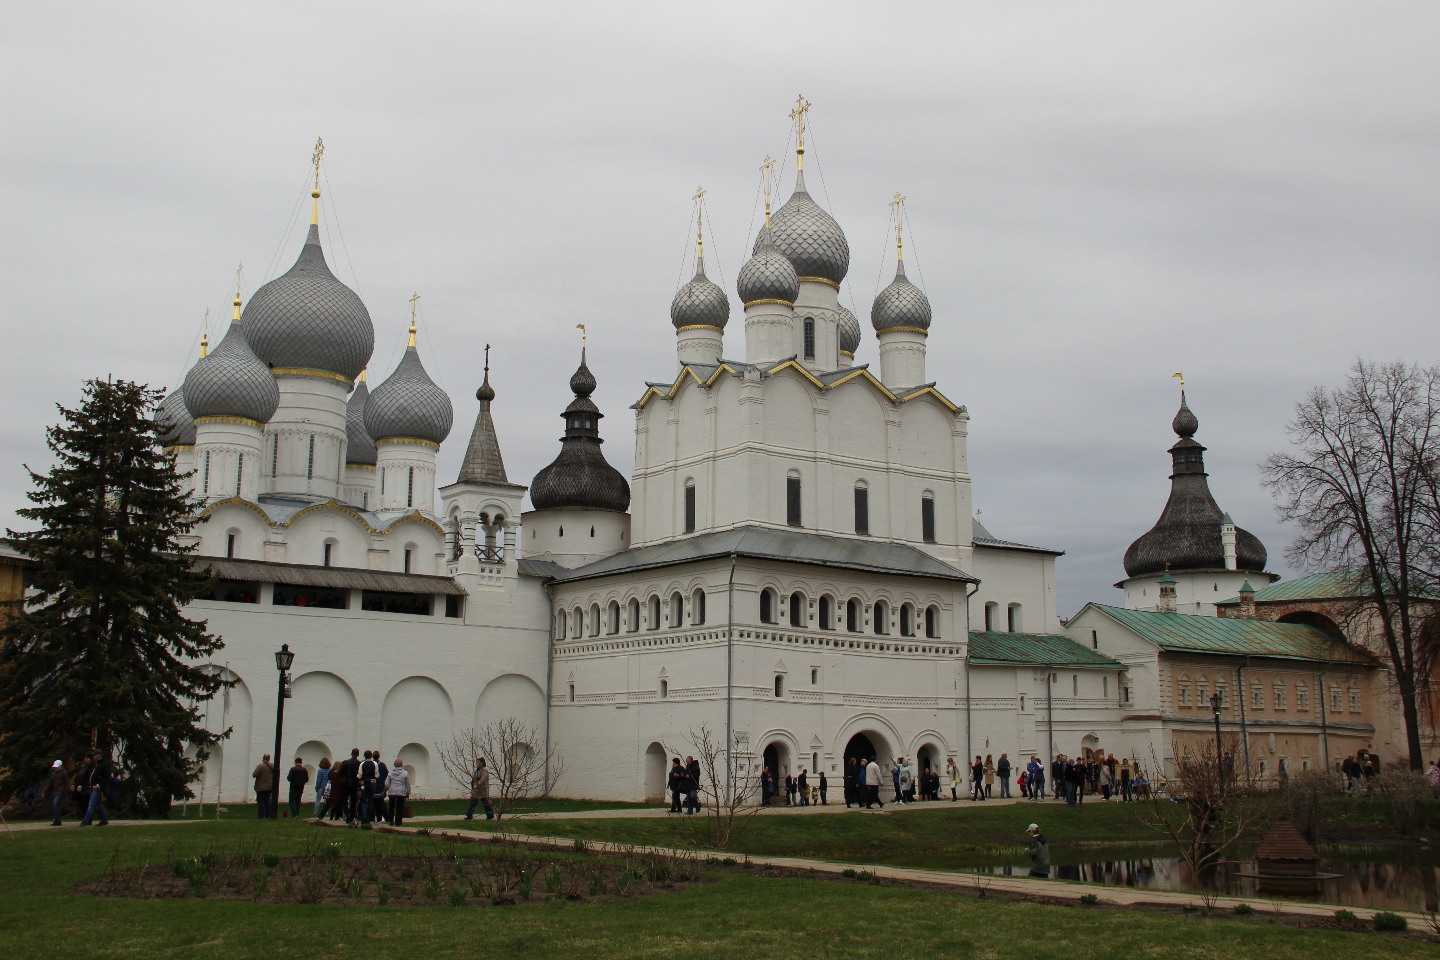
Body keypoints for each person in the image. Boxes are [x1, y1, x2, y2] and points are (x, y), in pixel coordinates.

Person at [78, 751, 110, 826]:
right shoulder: (93, 764)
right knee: (97, 804)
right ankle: (104, 819)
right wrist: (81, 785)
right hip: (91, 787)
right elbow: (87, 775)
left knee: (91, 804)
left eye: (94, 755)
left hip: (97, 787)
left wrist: (99, 784)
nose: (93, 756)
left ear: (99, 755)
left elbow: (107, 777)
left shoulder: (104, 764)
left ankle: (85, 821)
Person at [336, 748, 361, 822]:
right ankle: (351, 816)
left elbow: (340, 773)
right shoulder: (359, 763)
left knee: (344, 800)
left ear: (351, 753)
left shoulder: (345, 762)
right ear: (358, 754)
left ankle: (347, 813)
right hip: (355, 784)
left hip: (345, 784)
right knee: (353, 801)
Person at [385, 758, 411, 827]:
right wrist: (408, 793)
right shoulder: (405, 773)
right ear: (401, 765)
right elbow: (407, 784)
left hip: (392, 791)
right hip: (401, 791)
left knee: (391, 806)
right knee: (399, 807)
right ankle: (398, 822)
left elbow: (386, 783)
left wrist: (389, 788)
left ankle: (391, 821)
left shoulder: (390, 772)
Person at [44, 760, 70, 826]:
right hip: (55, 792)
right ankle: (57, 819)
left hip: (61, 792)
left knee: (55, 804)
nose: (55, 768)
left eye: (57, 767)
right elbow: (50, 783)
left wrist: (66, 793)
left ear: (61, 766)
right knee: (55, 806)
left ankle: (57, 819)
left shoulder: (64, 773)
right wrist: (44, 791)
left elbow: (66, 784)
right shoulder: (54, 773)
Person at [252, 753, 274, 819]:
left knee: (261, 802)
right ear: (269, 759)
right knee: (267, 801)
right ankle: (268, 815)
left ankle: (261, 816)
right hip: (270, 786)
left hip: (261, 787)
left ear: (263, 758)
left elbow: (254, 775)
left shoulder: (260, 766)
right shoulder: (273, 766)